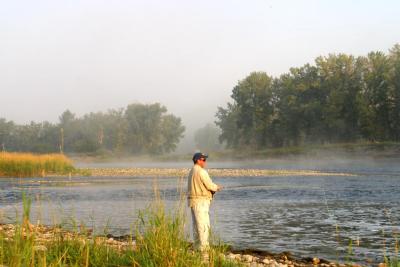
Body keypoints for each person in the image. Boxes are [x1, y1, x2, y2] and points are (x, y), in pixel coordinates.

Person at [187, 152, 222, 255]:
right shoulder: (201, 171)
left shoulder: (191, 171)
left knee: (196, 225)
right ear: (198, 160)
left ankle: (198, 246)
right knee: (203, 225)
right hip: (201, 202)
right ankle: (204, 248)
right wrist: (217, 187)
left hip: (193, 202)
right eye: (203, 160)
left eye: (205, 160)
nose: (205, 162)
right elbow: (210, 185)